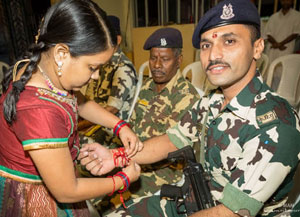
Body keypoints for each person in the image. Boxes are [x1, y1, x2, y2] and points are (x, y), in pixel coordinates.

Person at [79, 0, 300, 216]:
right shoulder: (213, 100)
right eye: (206, 45)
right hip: (195, 199)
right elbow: (172, 140)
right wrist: (116, 157)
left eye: (229, 41)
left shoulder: (275, 125)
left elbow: (232, 212)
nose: (214, 55)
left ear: (257, 48)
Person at [0, 0, 142, 216]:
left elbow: (80, 103)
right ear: (61, 54)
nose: (95, 76)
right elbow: (67, 191)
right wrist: (122, 180)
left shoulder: (42, 70)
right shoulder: (39, 111)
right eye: (92, 68)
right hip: (35, 199)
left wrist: (119, 125)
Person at [94, 27, 200, 214]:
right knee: (95, 199)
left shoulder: (186, 97)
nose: (157, 65)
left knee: (112, 208)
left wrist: (118, 158)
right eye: (153, 58)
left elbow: (169, 148)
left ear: (179, 60)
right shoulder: (147, 87)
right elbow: (133, 130)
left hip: (163, 174)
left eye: (165, 59)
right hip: (134, 161)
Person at [78, 15, 137, 145]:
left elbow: (112, 110)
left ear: (118, 40)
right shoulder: (99, 64)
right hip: (93, 119)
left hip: (110, 126)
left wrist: (81, 124)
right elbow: (87, 99)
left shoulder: (122, 68)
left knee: (77, 142)